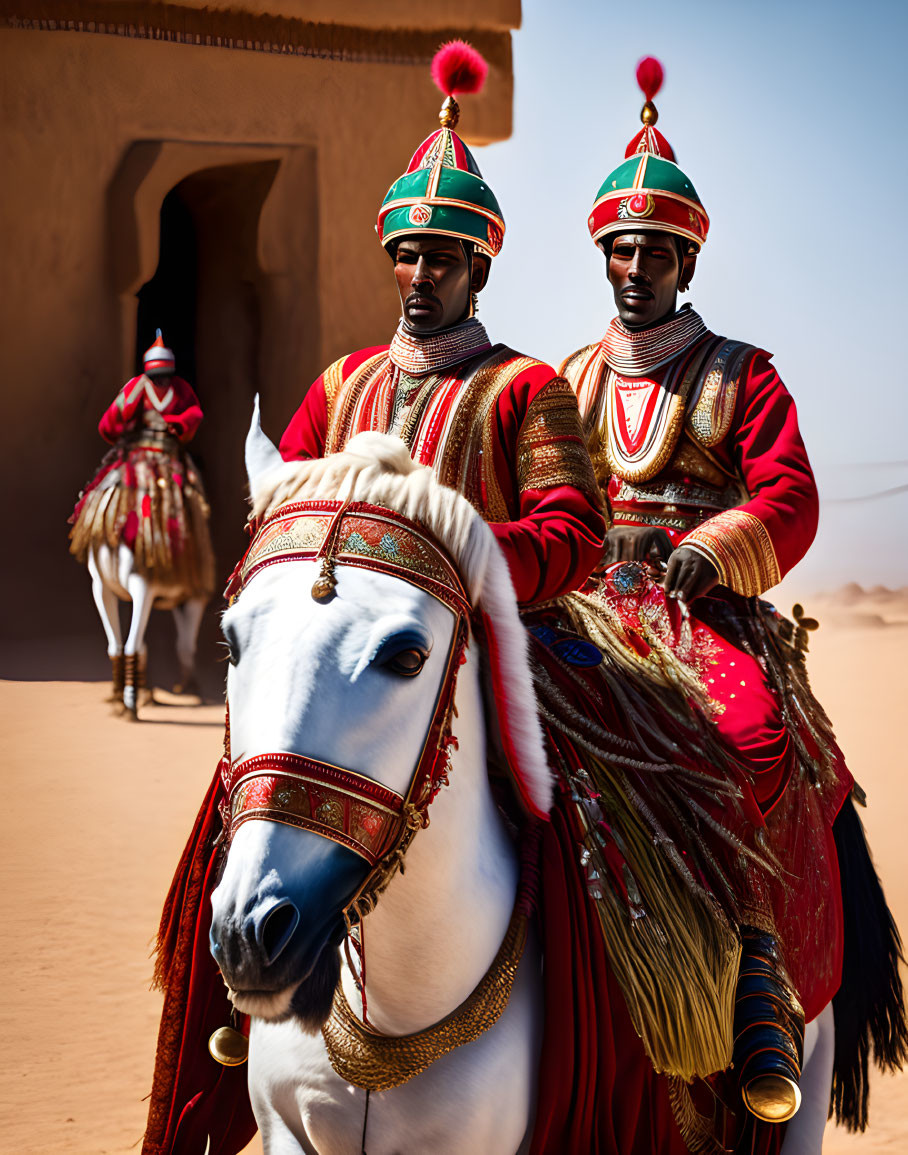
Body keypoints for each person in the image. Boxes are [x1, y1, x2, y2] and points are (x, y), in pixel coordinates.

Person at [561, 56, 907, 1135]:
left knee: (752, 742)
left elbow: (790, 497)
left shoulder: (738, 372)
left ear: (683, 258)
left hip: (698, 618)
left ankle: (759, 966)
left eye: (651, 252)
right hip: (578, 614)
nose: (632, 268)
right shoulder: (563, 377)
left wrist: (714, 551)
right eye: (619, 250)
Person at [69, 330, 214, 699]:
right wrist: (128, 406)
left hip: (169, 459)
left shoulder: (180, 389)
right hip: (134, 456)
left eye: (165, 375)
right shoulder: (137, 387)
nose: (161, 381)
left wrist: (178, 426)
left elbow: (194, 414)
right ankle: (91, 528)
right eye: (157, 375)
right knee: (100, 490)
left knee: (192, 498)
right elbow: (111, 423)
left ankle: (189, 563)